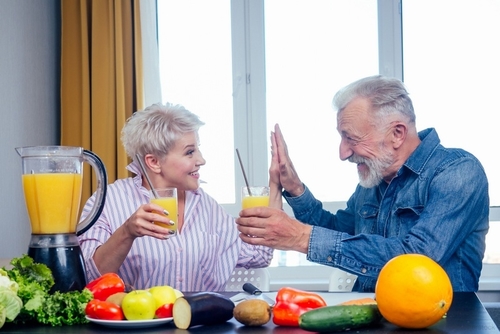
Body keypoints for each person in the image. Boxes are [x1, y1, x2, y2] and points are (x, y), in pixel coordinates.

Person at [236, 75, 489, 292]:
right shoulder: (374, 180)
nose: (343, 152)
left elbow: (416, 258)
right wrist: (295, 188)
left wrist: (300, 237)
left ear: (397, 134)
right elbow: (339, 232)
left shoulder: (458, 172)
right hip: (371, 317)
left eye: (351, 138)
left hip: (442, 323)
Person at [78, 103, 273, 291]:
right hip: (138, 323)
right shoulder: (108, 202)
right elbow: (89, 277)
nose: (201, 160)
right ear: (154, 162)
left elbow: (258, 256)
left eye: (198, 149)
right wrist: (127, 232)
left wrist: (276, 183)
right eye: (190, 152)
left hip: (199, 322)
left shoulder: (207, 205)